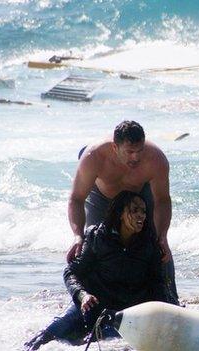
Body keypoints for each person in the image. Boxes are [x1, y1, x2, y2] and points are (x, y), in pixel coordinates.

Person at [25, 191, 170, 350]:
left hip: (123, 313)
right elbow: (71, 272)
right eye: (134, 210)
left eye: (143, 211)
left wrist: (169, 314)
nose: (141, 215)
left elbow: (158, 283)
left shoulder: (149, 244)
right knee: (49, 334)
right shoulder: (97, 236)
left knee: (106, 342)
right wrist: (83, 295)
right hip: (90, 306)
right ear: (121, 213)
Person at [67, 120, 178, 304]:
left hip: (139, 195)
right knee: (91, 245)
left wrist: (163, 236)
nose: (135, 158)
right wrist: (77, 235)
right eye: (129, 152)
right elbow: (76, 199)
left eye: (139, 150)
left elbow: (162, 200)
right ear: (114, 147)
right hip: (102, 198)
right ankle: (85, 302)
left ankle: (170, 301)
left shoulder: (156, 159)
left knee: (158, 248)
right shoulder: (93, 156)